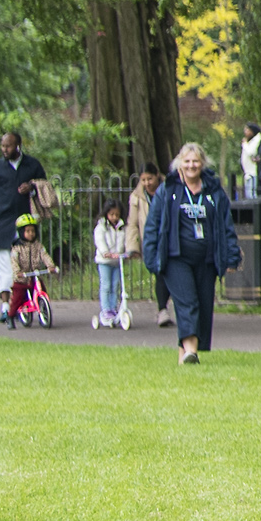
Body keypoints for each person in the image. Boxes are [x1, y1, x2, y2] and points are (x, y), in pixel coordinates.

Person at [143, 143, 238, 361]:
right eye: (187, 161)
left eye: (195, 161)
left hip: (206, 259)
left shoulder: (214, 191)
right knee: (187, 302)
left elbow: (226, 225)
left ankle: (183, 354)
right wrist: (150, 256)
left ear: (203, 163)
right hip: (176, 258)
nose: (191, 165)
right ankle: (191, 352)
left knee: (203, 306)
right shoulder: (168, 189)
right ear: (179, 164)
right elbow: (153, 224)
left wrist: (231, 256)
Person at [0, 129, 46, 320]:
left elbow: (45, 187)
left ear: (18, 146)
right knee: (4, 266)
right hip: (3, 222)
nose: (4, 149)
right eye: (2, 146)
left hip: (27, 222)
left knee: (28, 263)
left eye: (8, 146)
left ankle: (27, 302)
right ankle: (5, 306)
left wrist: (32, 187)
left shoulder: (32, 165)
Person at [125, 167, 165, 330]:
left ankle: (166, 309)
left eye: (150, 179)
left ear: (157, 176)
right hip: (150, 240)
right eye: (143, 180)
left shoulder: (169, 190)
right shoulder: (137, 197)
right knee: (159, 271)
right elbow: (132, 223)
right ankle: (162, 309)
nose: (147, 183)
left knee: (168, 272)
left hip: (169, 238)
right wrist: (133, 247)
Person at [92, 201, 134, 329]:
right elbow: (99, 240)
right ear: (106, 214)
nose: (114, 217)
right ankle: (106, 309)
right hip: (105, 261)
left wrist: (128, 252)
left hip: (117, 261)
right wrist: (106, 252)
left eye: (117, 215)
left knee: (116, 284)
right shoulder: (101, 226)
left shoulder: (122, 227)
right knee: (106, 285)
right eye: (112, 214)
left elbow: (127, 240)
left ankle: (113, 308)